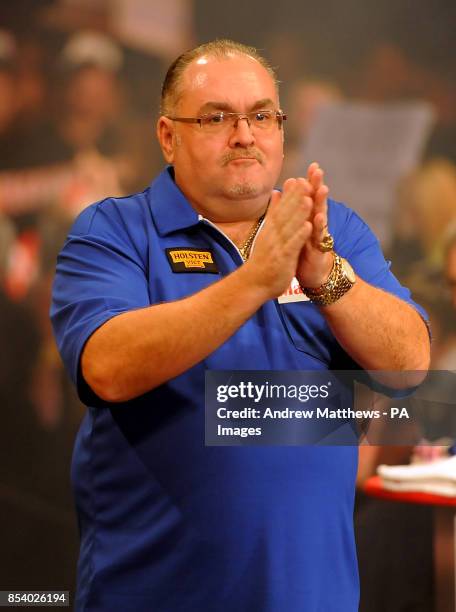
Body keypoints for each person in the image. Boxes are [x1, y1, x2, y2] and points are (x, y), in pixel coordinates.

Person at [51, 39, 430, 612]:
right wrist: (257, 279)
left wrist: (327, 276)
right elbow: (107, 366)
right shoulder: (115, 231)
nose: (245, 135)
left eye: (261, 115)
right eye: (216, 118)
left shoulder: (334, 231)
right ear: (167, 136)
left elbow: (410, 367)